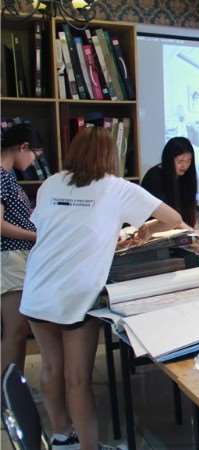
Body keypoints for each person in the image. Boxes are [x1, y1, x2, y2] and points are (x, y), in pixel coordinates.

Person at [20, 127, 182, 450]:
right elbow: (174, 218)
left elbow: (52, 227)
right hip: (77, 293)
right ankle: (89, 446)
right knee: (77, 378)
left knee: (50, 367)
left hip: (37, 286)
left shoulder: (51, 183)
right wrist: (146, 229)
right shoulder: (117, 187)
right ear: (111, 156)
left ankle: (61, 435)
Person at [1, 124, 39, 377]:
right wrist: (36, 236)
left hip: (16, 258)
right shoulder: (2, 176)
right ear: (23, 147)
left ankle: (15, 386)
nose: (34, 161)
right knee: (14, 331)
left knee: (17, 331)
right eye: (35, 154)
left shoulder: (7, 176)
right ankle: (9, 391)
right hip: (11, 258)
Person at [141, 136, 197, 228]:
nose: (184, 166)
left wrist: (195, 229)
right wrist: (190, 230)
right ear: (169, 159)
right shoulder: (154, 176)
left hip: (177, 229)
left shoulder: (185, 176)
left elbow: (189, 209)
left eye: (188, 161)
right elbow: (162, 215)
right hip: (153, 229)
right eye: (180, 161)